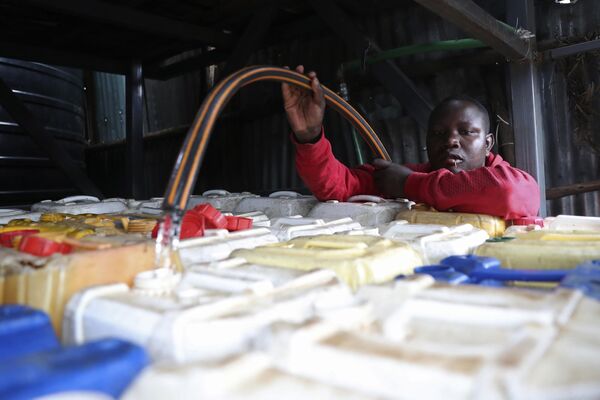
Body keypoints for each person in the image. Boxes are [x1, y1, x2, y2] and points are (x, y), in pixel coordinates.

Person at [282, 65, 540, 220]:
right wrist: (310, 137)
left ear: (488, 142)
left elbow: (509, 194)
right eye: (438, 133)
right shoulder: (401, 177)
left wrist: (408, 185)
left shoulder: (509, 180)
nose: (451, 140)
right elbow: (337, 186)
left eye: (466, 132)